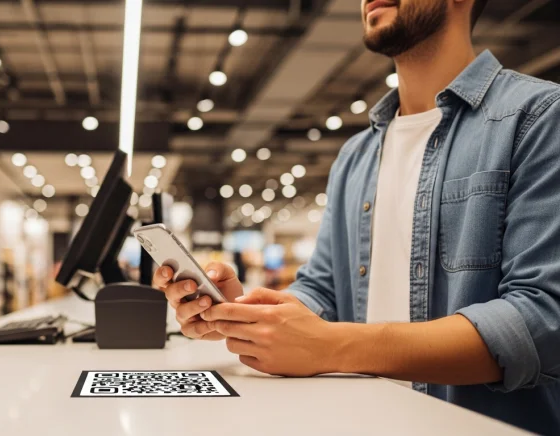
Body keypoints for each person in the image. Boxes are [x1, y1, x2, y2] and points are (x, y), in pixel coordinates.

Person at [154, 0, 560, 433]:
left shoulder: (537, 118)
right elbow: (324, 292)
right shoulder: (356, 155)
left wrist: (334, 347)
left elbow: (541, 320)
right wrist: (245, 312)